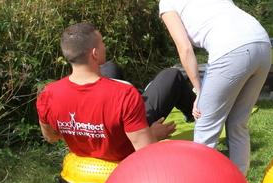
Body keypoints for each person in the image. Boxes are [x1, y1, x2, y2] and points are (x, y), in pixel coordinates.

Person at [152, 0, 271, 174]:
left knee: (205, 128)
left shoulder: (168, 0)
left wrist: (198, 89)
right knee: (237, 124)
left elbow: (185, 49)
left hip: (232, 51)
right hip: (262, 45)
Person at [37, 23, 177, 162]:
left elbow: (50, 137)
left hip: (84, 155)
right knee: (172, 75)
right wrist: (154, 135)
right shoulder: (125, 94)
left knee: (110, 68)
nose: (105, 46)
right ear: (95, 53)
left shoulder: (47, 94)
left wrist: (82, 132)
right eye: (102, 43)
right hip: (124, 158)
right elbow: (145, 152)